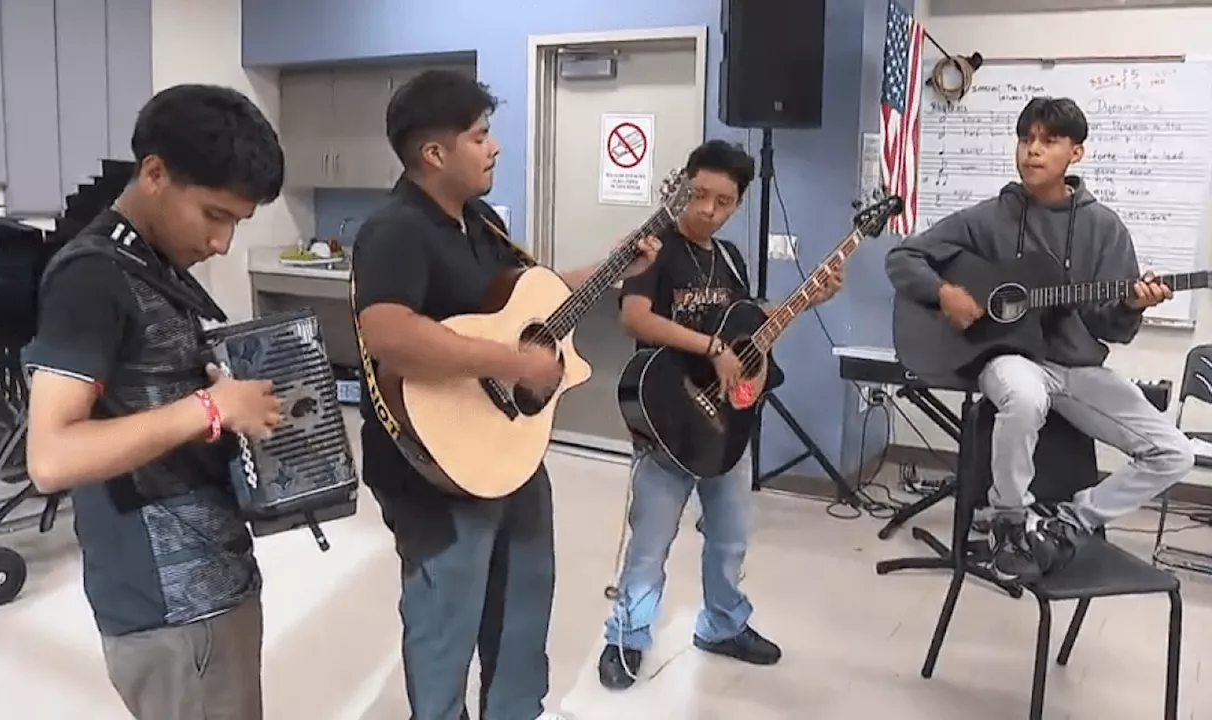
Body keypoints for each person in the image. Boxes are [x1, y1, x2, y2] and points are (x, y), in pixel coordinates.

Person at [351, 69, 660, 720]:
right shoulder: (394, 230)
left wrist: (610, 267)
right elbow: (387, 334)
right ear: (434, 153)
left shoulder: (480, 222)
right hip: (431, 467)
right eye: (480, 135)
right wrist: (509, 363)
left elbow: (533, 300)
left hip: (508, 450)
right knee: (446, 617)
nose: (494, 148)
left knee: (524, 602)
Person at [23, 84, 285, 720]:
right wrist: (212, 410)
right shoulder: (91, 278)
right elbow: (51, 457)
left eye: (237, 223)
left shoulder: (151, 264)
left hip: (208, 587)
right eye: (215, 216)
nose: (223, 243)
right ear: (155, 173)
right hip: (171, 611)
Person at [885, 96, 1195, 583]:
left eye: (1049, 141)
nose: (1032, 151)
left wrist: (1132, 304)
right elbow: (903, 258)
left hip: (1076, 368)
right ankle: (1008, 521)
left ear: (1077, 153)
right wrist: (947, 293)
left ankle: (1068, 523)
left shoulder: (1104, 228)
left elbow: (1111, 328)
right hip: (1009, 357)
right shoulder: (990, 217)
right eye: (1026, 139)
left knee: (1175, 451)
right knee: (1024, 397)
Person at [596, 140, 843, 690]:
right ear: (682, 186)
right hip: (665, 418)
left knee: (730, 537)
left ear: (736, 205)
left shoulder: (728, 257)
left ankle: (724, 625)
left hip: (724, 426)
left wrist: (809, 301)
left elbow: (748, 328)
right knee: (650, 544)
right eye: (700, 194)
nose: (708, 209)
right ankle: (627, 637)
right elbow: (636, 319)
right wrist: (710, 347)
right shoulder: (653, 249)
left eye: (723, 201)